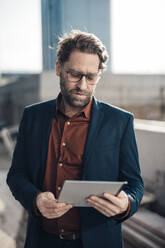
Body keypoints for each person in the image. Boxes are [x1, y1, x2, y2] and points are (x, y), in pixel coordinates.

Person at [7, 30, 144, 248]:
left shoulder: (120, 122)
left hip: (99, 241)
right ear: (59, 68)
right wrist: (36, 200)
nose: (82, 85)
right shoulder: (33, 116)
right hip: (42, 241)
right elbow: (16, 175)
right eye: (75, 75)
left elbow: (135, 184)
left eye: (91, 77)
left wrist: (126, 203)